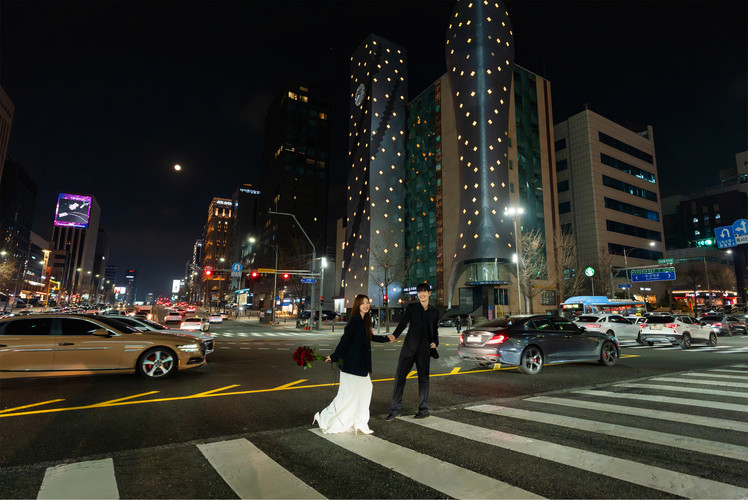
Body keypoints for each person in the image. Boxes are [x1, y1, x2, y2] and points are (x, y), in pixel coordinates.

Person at [314, 294, 394, 435]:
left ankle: (358, 421)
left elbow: (369, 337)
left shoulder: (363, 321)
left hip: (358, 365)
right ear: (357, 305)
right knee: (350, 395)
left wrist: (386, 338)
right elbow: (345, 340)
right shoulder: (355, 320)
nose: (366, 305)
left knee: (354, 393)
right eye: (363, 303)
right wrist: (334, 356)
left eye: (367, 303)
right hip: (352, 365)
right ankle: (332, 418)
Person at [385, 283, 439, 421]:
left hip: (424, 350)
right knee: (399, 378)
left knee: (424, 380)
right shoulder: (412, 308)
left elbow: (434, 329)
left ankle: (424, 409)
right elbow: (403, 323)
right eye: (419, 292)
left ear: (429, 293)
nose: (421, 294)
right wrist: (394, 335)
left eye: (424, 291)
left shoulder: (434, 311)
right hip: (408, 348)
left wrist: (435, 342)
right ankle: (395, 410)